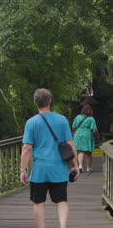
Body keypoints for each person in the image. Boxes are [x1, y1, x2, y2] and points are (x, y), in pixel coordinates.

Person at [20, 88, 80, 228]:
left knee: (39, 202)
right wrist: (76, 166)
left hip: (40, 170)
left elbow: (27, 148)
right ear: (50, 101)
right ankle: (63, 225)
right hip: (59, 168)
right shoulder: (62, 120)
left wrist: (23, 170)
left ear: (36, 103)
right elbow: (70, 144)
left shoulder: (31, 122)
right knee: (61, 200)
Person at [72, 104, 99, 173]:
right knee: (88, 153)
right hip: (87, 135)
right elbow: (94, 130)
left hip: (78, 134)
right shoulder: (91, 118)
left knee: (80, 151)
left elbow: (73, 127)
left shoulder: (77, 117)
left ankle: (80, 166)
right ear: (90, 111)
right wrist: (97, 137)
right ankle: (88, 168)